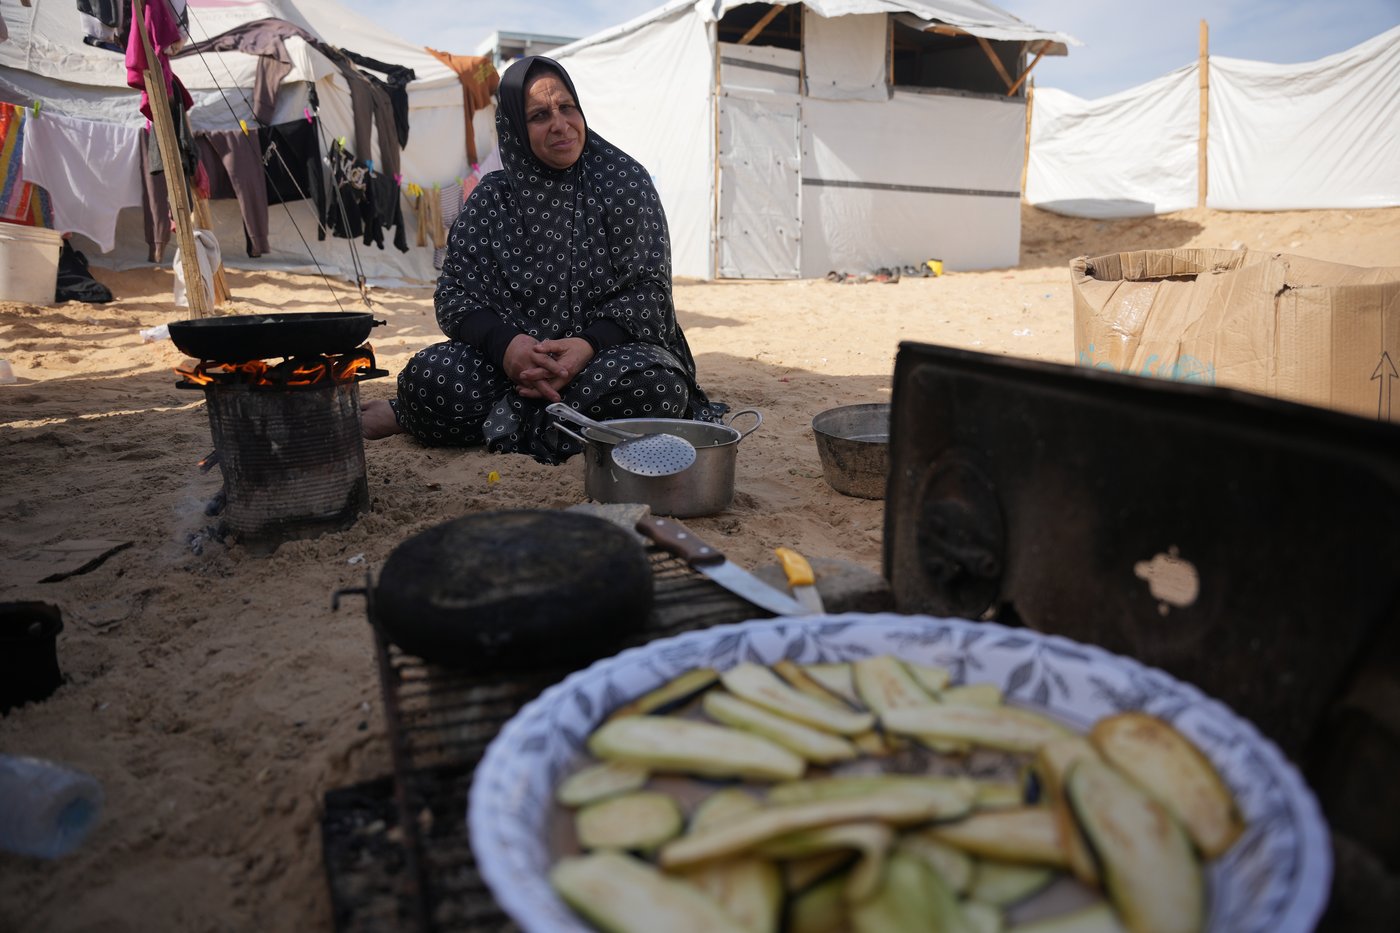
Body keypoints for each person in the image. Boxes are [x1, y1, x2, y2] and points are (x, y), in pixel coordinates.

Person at [361, 56, 725, 460]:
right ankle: (558, 425)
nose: (559, 124)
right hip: (508, 370)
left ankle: (499, 424)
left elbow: (651, 295)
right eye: (538, 115)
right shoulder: (492, 198)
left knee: (659, 386)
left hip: (604, 361)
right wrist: (509, 347)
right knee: (427, 379)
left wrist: (586, 344)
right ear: (515, 126)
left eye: (567, 107)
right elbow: (454, 296)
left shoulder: (624, 182)